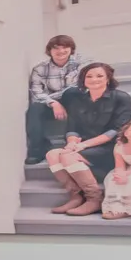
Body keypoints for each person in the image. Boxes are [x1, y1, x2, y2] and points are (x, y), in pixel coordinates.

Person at [44, 61, 131, 215]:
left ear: (108, 78)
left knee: (68, 157)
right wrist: (72, 143)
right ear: (83, 80)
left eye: (100, 76)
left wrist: (82, 146)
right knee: (52, 155)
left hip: (110, 149)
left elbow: (116, 131)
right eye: (89, 76)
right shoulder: (78, 100)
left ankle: (94, 199)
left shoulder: (121, 98)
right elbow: (72, 128)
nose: (94, 79)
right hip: (84, 146)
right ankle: (76, 196)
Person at [25, 34, 87, 164]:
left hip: (75, 102)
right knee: (34, 109)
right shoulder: (40, 69)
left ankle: (73, 144)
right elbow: (36, 92)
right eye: (56, 48)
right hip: (50, 104)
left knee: (72, 93)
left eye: (65, 47)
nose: (60, 51)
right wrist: (53, 103)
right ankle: (37, 150)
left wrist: (56, 99)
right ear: (49, 51)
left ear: (71, 49)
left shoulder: (80, 65)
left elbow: (79, 87)